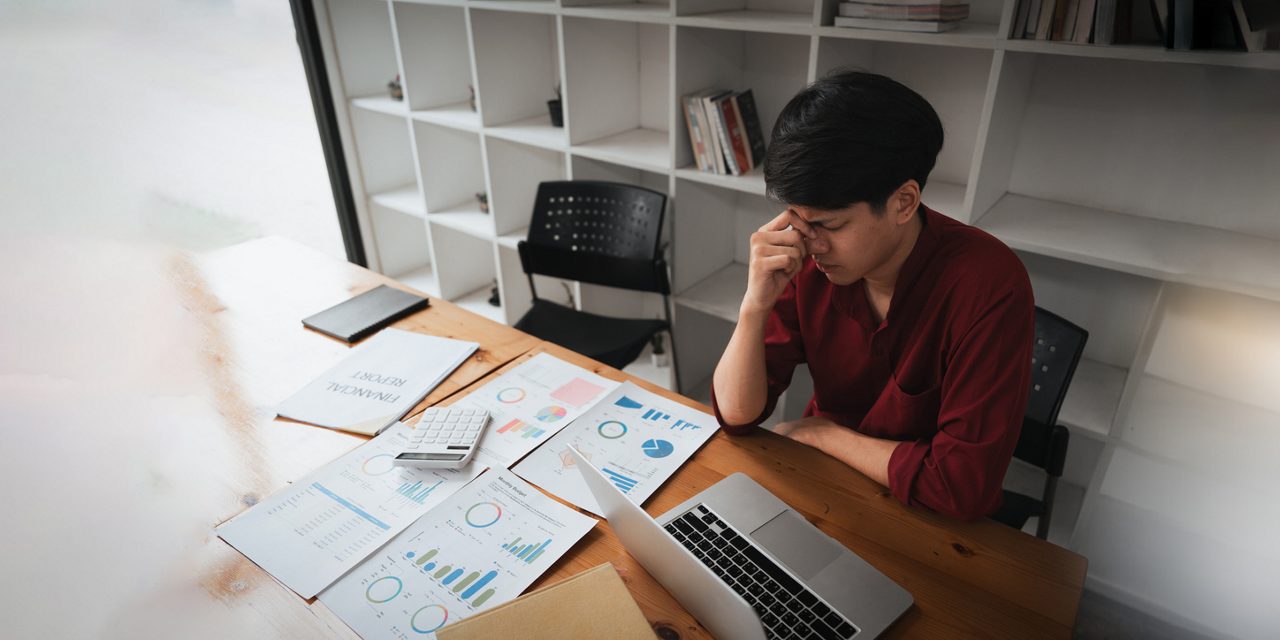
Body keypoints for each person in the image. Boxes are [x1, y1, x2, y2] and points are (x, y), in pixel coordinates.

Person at [711, 70, 1035, 521]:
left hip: (921, 520)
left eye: (829, 224)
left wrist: (824, 435)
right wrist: (754, 306)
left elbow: (960, 488)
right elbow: (738, 415)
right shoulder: (805, 254)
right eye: (797, 218)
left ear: (904, 202)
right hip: (825, 489)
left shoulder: (988, 284)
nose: (811, 243)